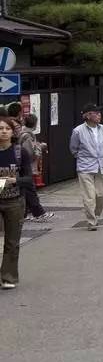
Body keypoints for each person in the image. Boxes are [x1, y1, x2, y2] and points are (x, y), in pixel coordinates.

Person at [0, 117, 33, 288]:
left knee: (12, 241)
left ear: (13, 132)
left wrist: (14, 180)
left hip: (14, 201)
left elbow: (29, 179)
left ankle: (8, 277)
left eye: (7, 128)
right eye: (0, 128)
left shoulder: (20, 152)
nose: (4, 131)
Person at [69, 103, 103, 231]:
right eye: (96, 113)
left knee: (102, 194)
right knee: (89, 196)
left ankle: (96, 215)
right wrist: (82, 158)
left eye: (99, 113)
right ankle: (91, 222)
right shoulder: (78, 131)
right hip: (85, 167)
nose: (99, 115)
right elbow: (73, 148)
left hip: (100, 165)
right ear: (88, 115)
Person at [18, 114, 53, 223]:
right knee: (30, 189)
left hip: (22, 169)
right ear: (35, 124)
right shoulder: (27, 135)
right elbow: (29, 153)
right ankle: (39, 213)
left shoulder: (23, 133)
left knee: (25, 191)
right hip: (27, 168)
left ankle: (24, 213)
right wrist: (40, 147)